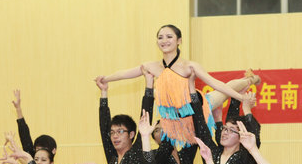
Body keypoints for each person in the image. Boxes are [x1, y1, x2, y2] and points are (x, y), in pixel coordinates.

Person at [95, 24, 255, 148]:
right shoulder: (153, 66)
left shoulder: (189, 66)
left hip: (200, 107)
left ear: (179, 41)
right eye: (160, 37)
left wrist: (242, 98)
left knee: (228, 88)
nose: (164, 40)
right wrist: (106, 79)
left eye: (169, 37)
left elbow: (216, 83)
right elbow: (125, 73)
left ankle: (250, 79)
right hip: (176, 119)